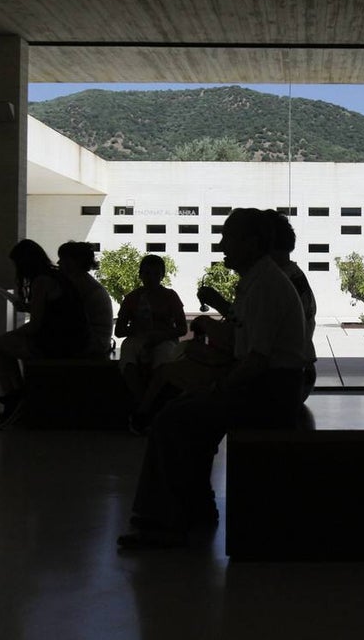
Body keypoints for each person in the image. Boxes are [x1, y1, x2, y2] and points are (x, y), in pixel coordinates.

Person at [118, 208, 307, 549]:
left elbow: (257, 360)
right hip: (266, 386)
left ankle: (166, 522)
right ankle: (193, 508)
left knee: (172, 420)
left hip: (270, 392)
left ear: (251, 243)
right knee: (185, 411)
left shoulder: (265, 285)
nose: (222, 245)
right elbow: (244, 343)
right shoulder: (257, 280)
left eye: (228, 238)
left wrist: (218, 386)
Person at [0, 239, 90, 426]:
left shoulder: (41, 281)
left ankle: (13, 396)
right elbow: (53, 312)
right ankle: (17, 396)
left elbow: (35, 325)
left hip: (59, 344)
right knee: (4, 345)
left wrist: (12, 335)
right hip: (72, 340)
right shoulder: (54, 277)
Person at [115, 254, 188, 402]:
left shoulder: (171, 296)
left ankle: (143, 404)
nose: (151, 278)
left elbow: (182, 328)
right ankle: (144, 402)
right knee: (128, 356)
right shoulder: (131, 298)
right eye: (147, 273)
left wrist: (160, 335)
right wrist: (139, 330)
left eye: (156, 274)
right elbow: (119, 330)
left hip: (164, 340)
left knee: (163, 359)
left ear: (162, 276)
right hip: (138, 339)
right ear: (140, 274)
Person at [263, 209, 318, 400]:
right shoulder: (293, 275)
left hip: (282, 382)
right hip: (298, 376)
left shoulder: (276, 283)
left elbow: (259, 344)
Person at [57, 241, 114, 358]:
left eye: (63, 258)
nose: (58, 262)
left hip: (91, 345)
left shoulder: (79, 285)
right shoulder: (84, 282)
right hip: (98, 343)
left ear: (75, 262)